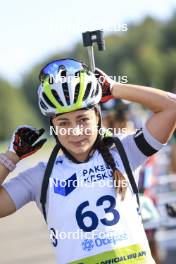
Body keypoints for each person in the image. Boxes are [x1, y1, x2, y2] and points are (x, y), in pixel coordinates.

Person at [0, 58, 176, 264]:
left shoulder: (124, 151)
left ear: (98, 117)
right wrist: (11, 158)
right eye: (63, 122)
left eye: (83, 119)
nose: (75, 131)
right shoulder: (41, 176)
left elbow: (171, 107)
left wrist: (114, 88)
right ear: (54, 128)